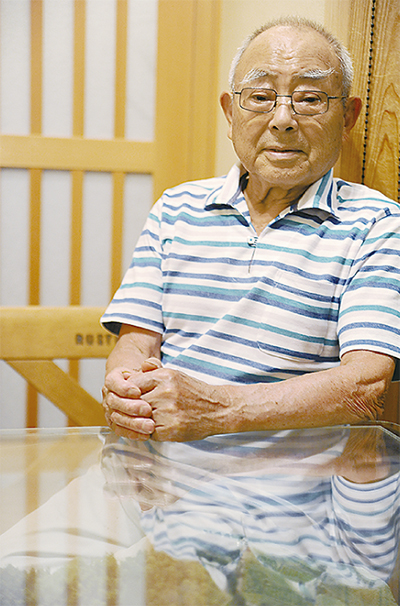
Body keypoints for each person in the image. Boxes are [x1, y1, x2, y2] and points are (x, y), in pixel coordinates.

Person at [101, 16, 400, 443]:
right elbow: (136, 343)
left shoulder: (377, 224)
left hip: (297, 482)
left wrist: (218, 410)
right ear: (229, 112)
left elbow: (365, 385)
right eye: (260, 97)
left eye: (310, 99)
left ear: (347, 117)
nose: (283, 119)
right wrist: (128, 393)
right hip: (165, 472)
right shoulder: (175, 208)